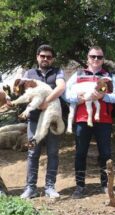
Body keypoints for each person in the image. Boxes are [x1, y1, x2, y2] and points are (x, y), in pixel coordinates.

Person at [64, 46, 115, 199]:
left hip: (104, 120)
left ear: (103, 59)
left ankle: (105, 185)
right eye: (93, 56)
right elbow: (66, 93)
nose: (96, 59)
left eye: (99, 57)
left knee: (106, 154)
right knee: (80, 153)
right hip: (82, 119)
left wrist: (103, 97)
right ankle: (80, 186)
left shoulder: (109, 76)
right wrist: (78, 99)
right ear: (87, 58)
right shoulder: (78, 74)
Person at [19, 45, 66, 199]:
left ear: (52, 59)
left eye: (49, 57)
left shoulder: (58, 72)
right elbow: (24, 92)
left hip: (52, 119)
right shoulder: (29, 73)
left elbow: (61, 88)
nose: (45, 59)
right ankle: (30, 188)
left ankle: (50, 187)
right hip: (34, 120)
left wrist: (46, 101)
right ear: (37, 57)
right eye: (43, 56)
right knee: (33, 153)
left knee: (53, 153)